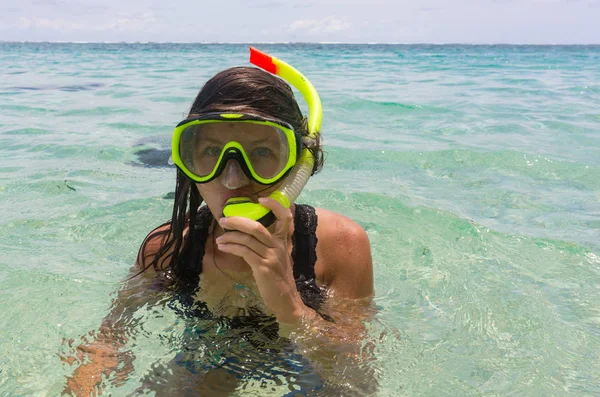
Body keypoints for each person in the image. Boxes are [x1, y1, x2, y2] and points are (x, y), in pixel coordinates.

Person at [63, 48, 375, 396]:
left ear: (299, 164)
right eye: (211, 151)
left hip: (308, 358)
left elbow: (357, 371)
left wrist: (291, 305)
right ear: (187, 158)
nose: (232, 179)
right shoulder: (168, 250)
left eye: (261, 152)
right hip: (210, 355)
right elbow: (108, 342)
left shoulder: (340, 245)